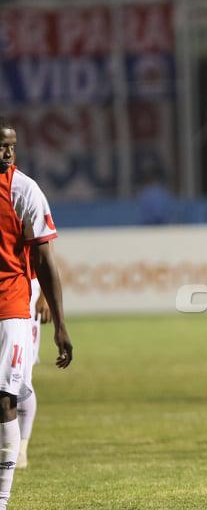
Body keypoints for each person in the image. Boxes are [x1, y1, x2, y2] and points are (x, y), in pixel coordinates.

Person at [0, 117, 73, 509]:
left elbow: (44, 259)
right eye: (1, 146)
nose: (7, 153)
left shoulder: (24, 189)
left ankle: (3, 496)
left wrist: (59, 321)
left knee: (9, 394)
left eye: (11, 146)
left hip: (12, 307)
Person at [16, 263, 51, 469]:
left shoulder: (32, 227)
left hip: (27, 288)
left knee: (22, 375)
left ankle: (21, 450)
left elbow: (45, 252)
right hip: (7, 289)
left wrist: (44, 295)